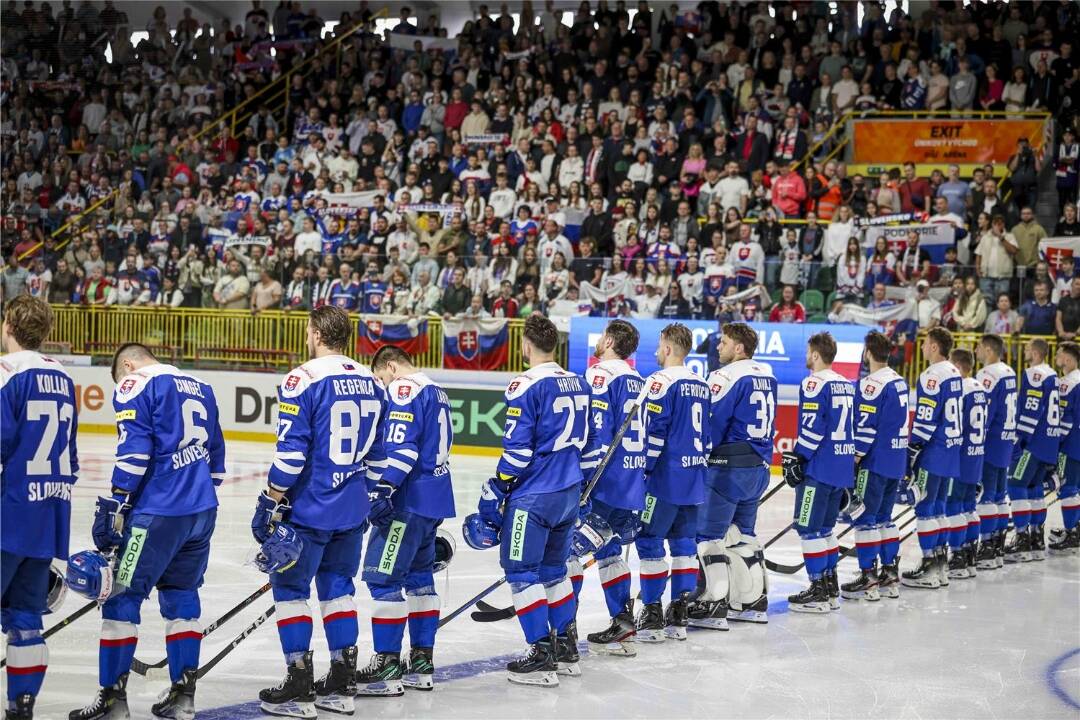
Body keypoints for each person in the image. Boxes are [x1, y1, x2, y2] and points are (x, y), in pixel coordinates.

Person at [69, 343, 225, 720]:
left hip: (157, 512)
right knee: (182, 598)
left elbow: (134, 450)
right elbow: (216, 458)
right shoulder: (200, 385)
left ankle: (112, 701)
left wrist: (119, 500)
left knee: (121, 596)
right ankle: (183, 698)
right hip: (202, 511)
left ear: (127, 364)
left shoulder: (135, 383)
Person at [249, 306, 386, 716]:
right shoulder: (371, 380)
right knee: (339, 589)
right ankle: (343, 684)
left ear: (314, 333)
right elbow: (378, 457)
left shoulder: (302, 379)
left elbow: (291, 456)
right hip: (351, 508)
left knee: (290, 591)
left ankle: (299, 684)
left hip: (309, 507)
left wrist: (271, 499)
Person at [466, 314, 586, 686]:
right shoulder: (577, 381)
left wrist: (498, 486)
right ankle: (566, 650)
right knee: (554, 571)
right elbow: (587, 440)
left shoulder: (524, 385)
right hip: (568, 492)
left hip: (535, 496)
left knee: (521, 571)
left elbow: (517, 454)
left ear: (526, 345)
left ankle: (540, 654)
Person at [1, 297, 78, 720]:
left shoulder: (6, 371)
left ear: (9, 324)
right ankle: (21, 707)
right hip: (47, 515)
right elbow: (71, 453)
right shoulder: (62, 376)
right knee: (27, 618)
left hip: (7, 513)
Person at [364, 346, 456, 692]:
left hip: (407, 500)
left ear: (391, 367)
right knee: (420, 580)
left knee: (383, 580)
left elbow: (403, 450)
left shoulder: (403, 389)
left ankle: (387, 666)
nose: (382, 385)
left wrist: (382, 490)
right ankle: (421, 663)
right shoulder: (437, 390)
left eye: (381, 378)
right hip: (434, 500)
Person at [694, 322, 776, 628]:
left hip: (727, 468)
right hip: (758, 466)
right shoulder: (767, 374)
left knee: (708, 536)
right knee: (744, 535)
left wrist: (699, 454)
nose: (718, 347)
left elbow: (711, 421)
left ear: (738, 348)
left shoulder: (724, 375)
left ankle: (712, 604)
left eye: (724, 343)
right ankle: (753, 601)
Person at [634, 324, 710, 640]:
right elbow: (706, 437)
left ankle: (652, 612)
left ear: (667, 348)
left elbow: (655, 432)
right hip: (694, 477)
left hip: (665, 477)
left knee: (650, 540)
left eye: (658, 345)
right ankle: (678, 612)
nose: (655, 351)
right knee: (684, 544)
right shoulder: (702, 384)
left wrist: (643, 471)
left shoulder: (659, 382)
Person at [580, 321, 646, 656]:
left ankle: (561, 636)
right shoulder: (638, 379)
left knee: (567, 553)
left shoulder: (600, 374)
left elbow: (597, 431)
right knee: (610, 552)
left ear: (608, 340)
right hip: (631, 480)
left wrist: (581, 480)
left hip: (603, 482)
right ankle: (623, 624)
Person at [783, 332, 855, 613]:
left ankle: (817, 590)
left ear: (815, 354)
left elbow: (813, 427)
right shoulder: (845, 384)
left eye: (807, 352)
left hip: (820, 467)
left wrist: (798, 456)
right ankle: (829, 585)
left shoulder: (814, 383)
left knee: (809, 529)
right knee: (826, 529)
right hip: (841, 466)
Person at [844, 331, 910, 601]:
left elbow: (866, 428)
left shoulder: (870, 384)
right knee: (885, 518)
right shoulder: (899, 380)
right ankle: (890, 573)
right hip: (897, 459)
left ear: (868, 353)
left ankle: (868, 576)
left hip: (875, 460)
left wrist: (854, 461)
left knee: (866, 519)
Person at [902, 327, 962, 590]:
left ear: (935, 347)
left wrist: (913, 450)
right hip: (951, 449)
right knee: (938, 507)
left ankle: (929, 566)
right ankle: (940, 566)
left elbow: (926, 418)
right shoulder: (954, 372)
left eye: (926, 343)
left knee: (925, 508)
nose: (923, 348)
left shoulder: (931, 375)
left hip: (934, 450)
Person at [1006, 338, 1060, 563]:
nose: (1025, 351)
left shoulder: (1034, 374)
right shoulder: (1053, 374)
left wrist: (1020, 440)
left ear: (1036, 352)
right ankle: (1037, 539)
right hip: (1049, 442)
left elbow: (1031, 407)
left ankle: (1021, 540)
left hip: (1033, 443)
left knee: (1016, 485)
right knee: (1034, 488)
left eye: (1027, 348)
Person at [970, 334, 1018, 572]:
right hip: (1007, 439)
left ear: (988, 350)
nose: (976, 351)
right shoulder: (1009, 371)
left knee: (988, 496)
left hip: (991, 442)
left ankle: (987, 547)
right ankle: (997, 545)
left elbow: (984, 414)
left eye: (979, 347)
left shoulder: (987, 375)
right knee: (999, 495)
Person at [944, 349, 988, 580]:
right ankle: (970, 556)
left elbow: (955, 425)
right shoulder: (980, 387)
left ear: (958, 367)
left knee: (954, 507)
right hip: (977, 453)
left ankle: (958, 557)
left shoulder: (961, 389)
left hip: (960, 456)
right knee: (969, 507)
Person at [1050, 341, 1080, 554]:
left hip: (1071, 443)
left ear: (1068, 359)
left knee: (1068, 488)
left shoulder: (1066, 383)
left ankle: (1071, 531)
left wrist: (1055, 443)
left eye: (1059, 354)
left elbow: (1065, 418)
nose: (1056, 357)